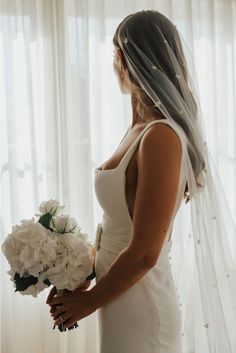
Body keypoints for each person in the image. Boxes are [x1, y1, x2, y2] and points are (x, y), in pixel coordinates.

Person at [47, 10, 236, 353]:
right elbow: (117, 229)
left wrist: (89, 303)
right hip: (118, 296)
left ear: (122, 58)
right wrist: (75, 276)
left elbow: (146, 251)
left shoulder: (161, 136)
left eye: (113, 56)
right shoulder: (138, 130)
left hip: (141, 301)